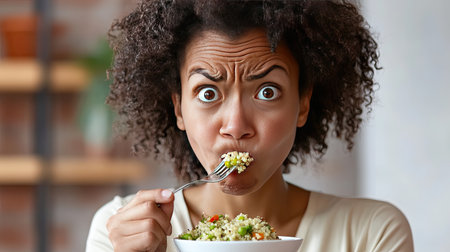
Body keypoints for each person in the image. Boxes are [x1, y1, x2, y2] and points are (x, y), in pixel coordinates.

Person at [86, 0, 414, 251]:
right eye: (208, 92)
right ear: (179, 109)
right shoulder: (120, 230)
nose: (236, 125)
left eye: (267, 92)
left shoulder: (370, 233)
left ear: (302, 104)